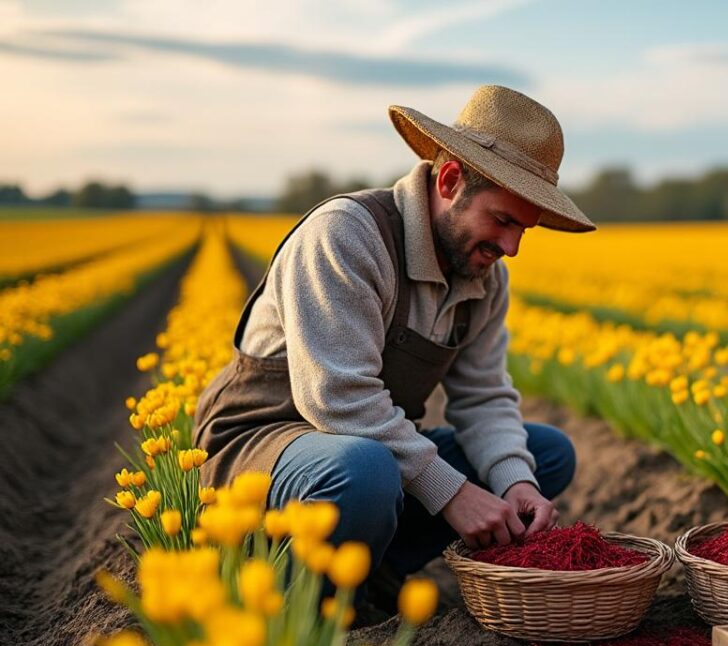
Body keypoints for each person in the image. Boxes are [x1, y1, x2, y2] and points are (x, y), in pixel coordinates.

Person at [194, 85, 595, 609]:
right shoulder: (345, 237)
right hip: (261, 447)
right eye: (504, 220)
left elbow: (483, 396)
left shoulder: (484, 278)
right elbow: (337, 398)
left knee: (542, 456)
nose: (512, 248)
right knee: (364, 470)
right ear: (450, 180)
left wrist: (514, 482)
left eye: (527, 229)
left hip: (365, 454)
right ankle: (287, 596)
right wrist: (452, 492)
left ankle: (370, 573)